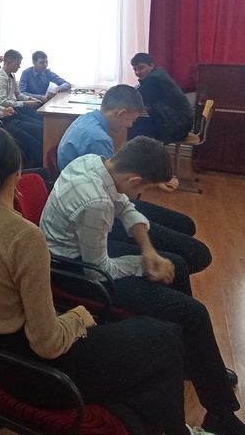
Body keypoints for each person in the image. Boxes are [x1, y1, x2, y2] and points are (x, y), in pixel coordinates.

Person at [0, 126, 193, 435]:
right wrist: (78, 318)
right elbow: (47, 343)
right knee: (168, 338)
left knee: (156, 345)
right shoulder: (24, 236)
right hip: (34, 371)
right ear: (18, 173)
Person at [41, 137, 245, 434]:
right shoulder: (95, 201)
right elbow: (99, 273)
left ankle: (191, 359)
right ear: (135, 179)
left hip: (86, 256)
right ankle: (221, 414)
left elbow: (125, 207)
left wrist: (149, 252)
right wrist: (144, 265)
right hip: (73, 272)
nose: (140, 194)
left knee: (176, 268)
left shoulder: (93, 163)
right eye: (144, 188)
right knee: (194, 313)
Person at [56, 84, 211, 275]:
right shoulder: (99, 140)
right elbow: (116, 186)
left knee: (184, 226)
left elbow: (117, 178)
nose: (130, 125)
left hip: (95, 200)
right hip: (93, 212)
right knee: (187, 253)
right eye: (133, 119)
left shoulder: (87, 120)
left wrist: (151, 178)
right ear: (122, 113)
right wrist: (143, 263)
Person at [0, 53, 42, 168]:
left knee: (35, 132)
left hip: (0, 119)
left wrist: (4, 110)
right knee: (31, 141)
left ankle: (34, 165)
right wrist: (1, 113)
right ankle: (35, 168)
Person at [129, 52, 195, 144]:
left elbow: (135, 101)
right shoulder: (158, 74)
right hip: (179, 123)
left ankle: (137, 153)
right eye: (135, 69)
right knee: (131, 123)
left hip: (176, 127)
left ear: (151, 66)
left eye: (141, 68)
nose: (137, 72)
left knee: (128, 126)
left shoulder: (153, 80)